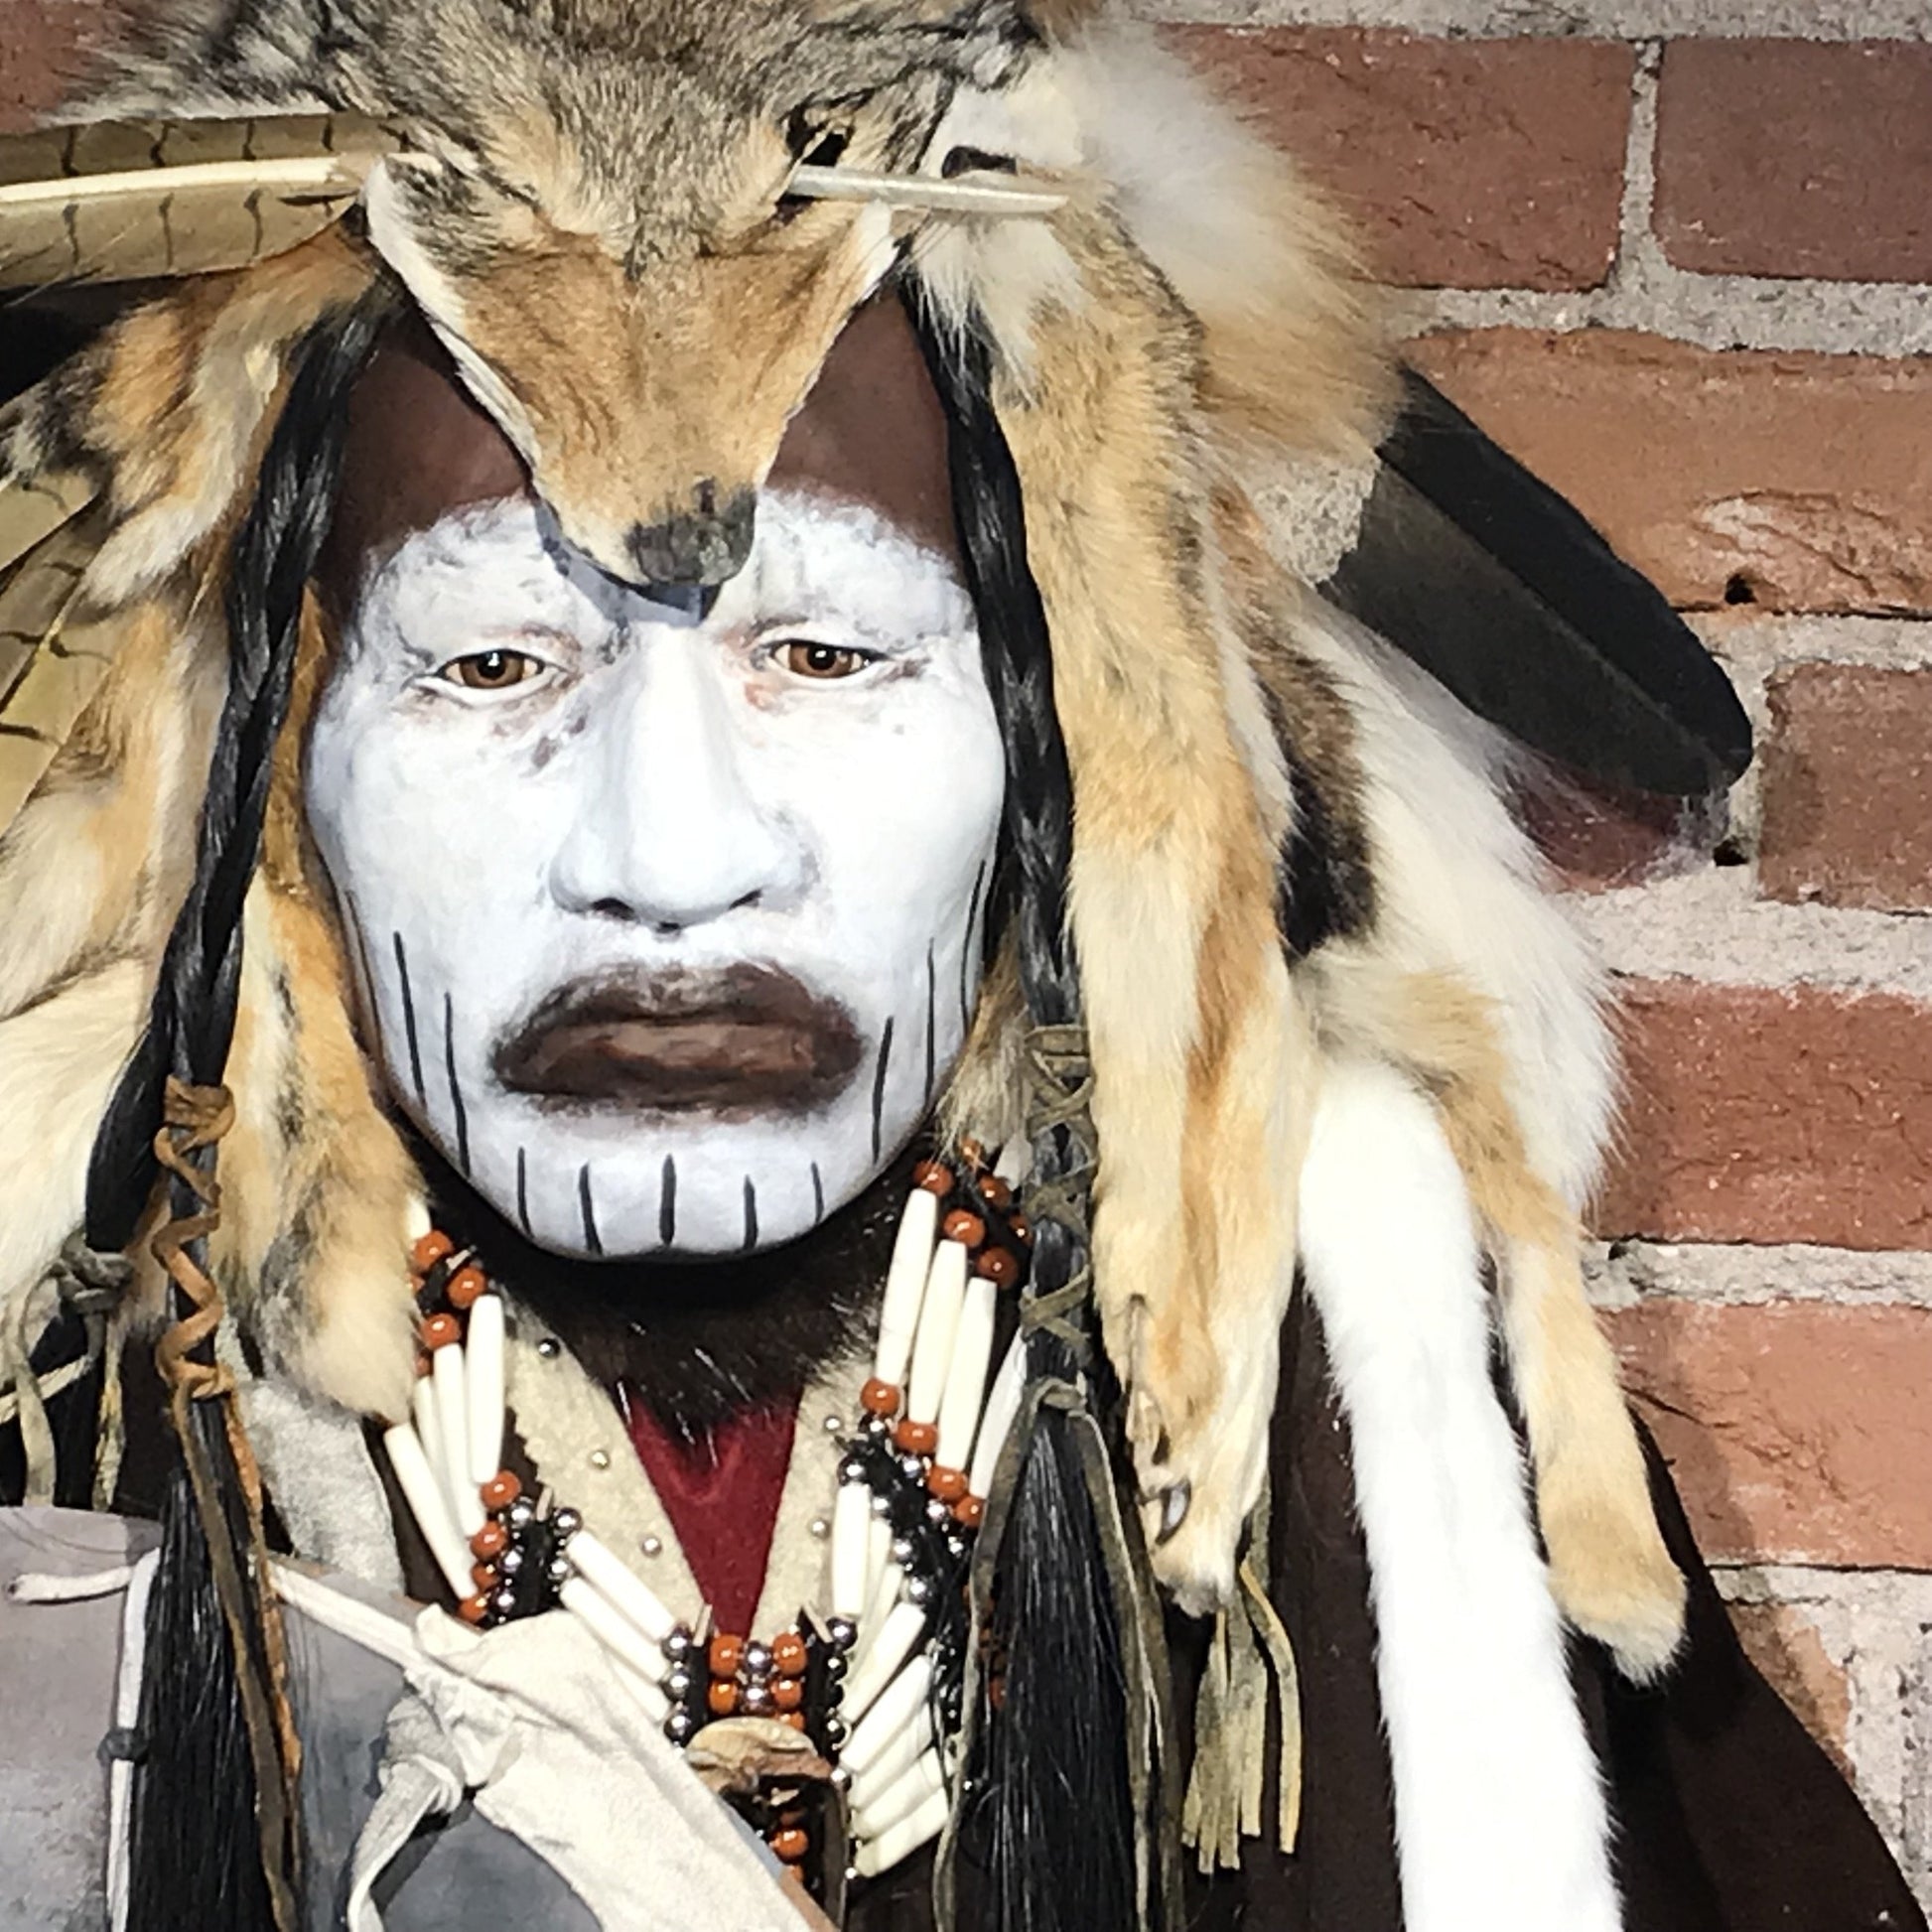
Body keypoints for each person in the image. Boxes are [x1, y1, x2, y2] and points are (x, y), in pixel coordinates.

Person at [0, 5, 1920, 1929]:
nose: (675, 860)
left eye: (826, 654)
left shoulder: (1333, 1424)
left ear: (1076, 717)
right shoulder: (82, 1461)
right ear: (264, 761)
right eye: (494, 662)